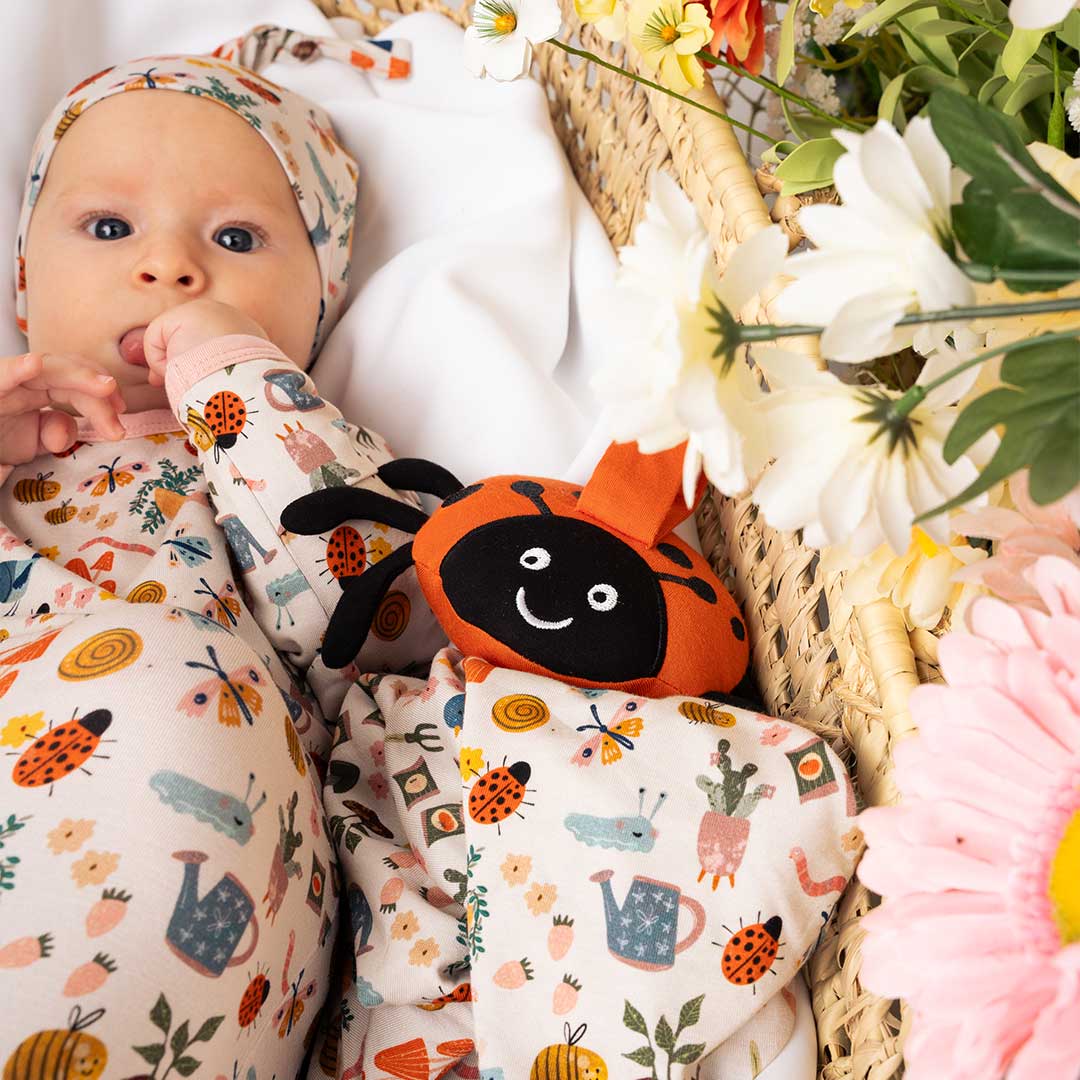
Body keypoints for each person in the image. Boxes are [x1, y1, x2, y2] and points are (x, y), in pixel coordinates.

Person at [0, 28, 436, 1078]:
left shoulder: (290, 450)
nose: (168, 266)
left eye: (236, 241)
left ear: (317, 304)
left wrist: (240, 386)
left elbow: (376, 619)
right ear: (24, 281)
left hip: (210, 909)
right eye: (109, 226)